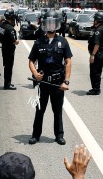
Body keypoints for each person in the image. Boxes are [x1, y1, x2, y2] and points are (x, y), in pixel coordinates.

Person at [28, 11, 73, 146]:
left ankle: (59, 135)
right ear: (45, 24)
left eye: (53, 23)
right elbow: (31, 61)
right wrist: (35, 73)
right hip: (42, 83)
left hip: (57, 83)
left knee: (57, 110)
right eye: (48, 23)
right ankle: (36, 135)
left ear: (57, 24)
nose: (51, 25)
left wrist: (66, 81)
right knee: (39, 110)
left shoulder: (63, 41)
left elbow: (68, 62)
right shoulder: (39, 42)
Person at [86, 12, 103, 96]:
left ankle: (96, 89)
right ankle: (96, 88)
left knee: (94, 72)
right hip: (100, 53)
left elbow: (97, 44)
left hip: (97, 54)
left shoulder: (98, 30)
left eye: (95, 19)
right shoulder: (102, 28)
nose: (93, 21)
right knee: (97, 72)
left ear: (98, 20)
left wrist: (92, 55)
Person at [0, 9, 19, 90]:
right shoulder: (10, 28)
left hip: (4, 47)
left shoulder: (1, 25)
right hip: (9, 49)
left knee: (6, 66)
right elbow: (14, 41)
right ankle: (7, 84)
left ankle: (6, 83)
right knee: (9, 67)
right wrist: (17, 41)